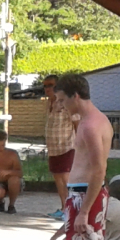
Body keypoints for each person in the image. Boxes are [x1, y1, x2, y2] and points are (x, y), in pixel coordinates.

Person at [43, 75, 113, 240]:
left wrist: (83, 211)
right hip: (80, 195)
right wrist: (60, 233)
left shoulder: (91, 125)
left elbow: (99, 170)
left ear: (75, 96)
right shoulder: (86, 122)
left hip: (87, 195)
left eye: (62, 100)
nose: (60, 106)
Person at [42, 75, 76, 219]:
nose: (48, 89)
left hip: (67, 146)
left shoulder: (66, 103)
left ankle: (73, 210)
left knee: (66, 178)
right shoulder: (48, 104)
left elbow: (77, 123)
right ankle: (64, 208)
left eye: (51, 85)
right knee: (57, 177)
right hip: (53, 148)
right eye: (45, 86)